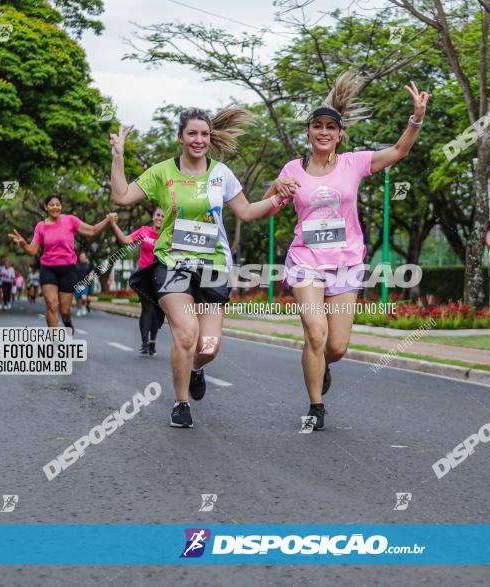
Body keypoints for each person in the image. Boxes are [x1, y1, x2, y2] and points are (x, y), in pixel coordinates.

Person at [109, 108, 297, 428]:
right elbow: (121, 196)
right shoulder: (162, 172)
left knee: (209, 347)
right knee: (186, 333)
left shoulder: (221, 173)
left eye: (204, 134)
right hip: (172, 263)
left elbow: (249, 212)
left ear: (210, 139)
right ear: (180, 137)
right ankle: (181, 403)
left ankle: (196, 367)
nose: (199, 140)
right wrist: (118, 156)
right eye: (192, 134)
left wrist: (278, 196)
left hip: (213, 266)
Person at [276, 73, 430, 430]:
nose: (324, 132)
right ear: (309, 132)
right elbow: (272, 200)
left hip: (346, 263)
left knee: (337, 347)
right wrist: (274, 187)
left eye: (331, 127)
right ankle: (316, 407)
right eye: (318, 126)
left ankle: (323, 364)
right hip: (305, 261)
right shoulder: (292, 168)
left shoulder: (353, 162)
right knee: (316, 333)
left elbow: (398, 151)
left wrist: (416, 118)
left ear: (340, 133)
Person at [9, 195, 116, 329]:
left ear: (61, 206)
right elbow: (33, 251)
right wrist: (24, 243)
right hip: (48, 269)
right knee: (51, 305)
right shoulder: (41, 226)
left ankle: (68, 324)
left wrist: (107, 220)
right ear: (46, 207)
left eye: (58, 204)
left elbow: (92, 230)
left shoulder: (70, 220)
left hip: (68, 269)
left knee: (65, 311)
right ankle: (55, 343)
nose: (55, 207)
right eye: (52, 205)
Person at [109, 207, 166, 355]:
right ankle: (144, 342)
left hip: (160, 277)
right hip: (143, 276)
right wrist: (113, 224)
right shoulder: (144, 231)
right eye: (158, 215)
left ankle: (152, 341)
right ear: (153, 217)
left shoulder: (169, 234)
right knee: (147, 308)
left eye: (163, 216)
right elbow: (126, 240)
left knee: (157, 310)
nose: (160, 218)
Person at [74, 252, 93, 317]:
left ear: (85, 257)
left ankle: (84, 306)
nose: (82, 257)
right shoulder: (76, 264)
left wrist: (90, 276)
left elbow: (91, 271)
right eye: (81, 256)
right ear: (79, 257)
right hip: (77, 284)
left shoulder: (88, 264)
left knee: (84, 298)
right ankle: (79, 309)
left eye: (83, 256)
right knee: (78, 299)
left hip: (85, 284)